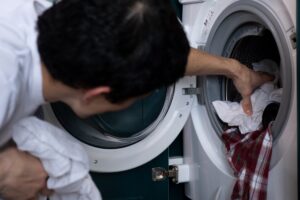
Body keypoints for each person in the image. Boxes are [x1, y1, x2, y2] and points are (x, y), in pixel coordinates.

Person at [0, 0, 273, 199]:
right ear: (98, 94)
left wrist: (236, 69)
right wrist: (7, 171)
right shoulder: (5, 85)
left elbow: (140, 47)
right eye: (133, 99)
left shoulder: (38, 13)